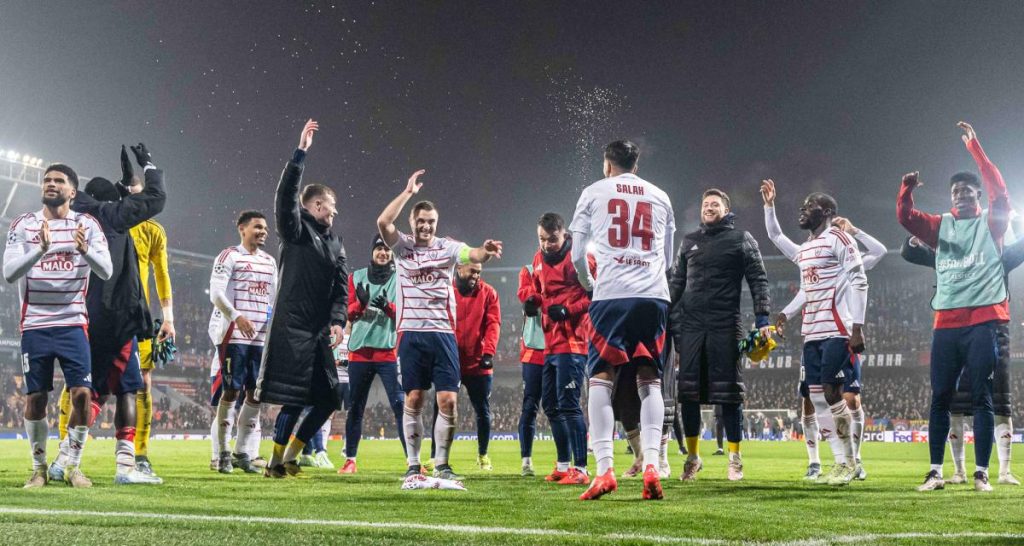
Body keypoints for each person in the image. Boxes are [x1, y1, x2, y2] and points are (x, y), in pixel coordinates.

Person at [897, 123, 1011, 492]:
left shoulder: (992, 223)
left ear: (977, 193)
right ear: (950, 198)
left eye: (966, 189)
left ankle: (980, 473)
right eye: (954, 191)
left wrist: (975, 147)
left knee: (981, 397)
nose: (960, 194)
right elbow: (905, 218)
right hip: (945, 323)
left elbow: (1001, 191)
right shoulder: (940, 225)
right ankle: (935, 471)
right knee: (940, 398)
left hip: (983, 322)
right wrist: (907, 190)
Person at [50, 144, 167, 486]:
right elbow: (156, 197)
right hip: (119, 317)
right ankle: (126, 467)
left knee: (94, 392)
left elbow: (99, 200)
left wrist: (121, 187)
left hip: (84, 316)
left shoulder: (79, 214)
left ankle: (63, 460)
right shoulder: (116, 217)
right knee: (129, 389)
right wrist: (148, 166)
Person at [376, 168, 502, 481]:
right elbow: (383, 223)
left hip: (444, 334)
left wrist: (484, 252)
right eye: (421, 220)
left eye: (431, 221)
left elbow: (471, 253)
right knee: (414, 399)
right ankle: (413, 466)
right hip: (411, 334)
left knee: (448, 399)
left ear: (436, 223)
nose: (426, 226)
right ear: (412, 222)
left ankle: (443, 464)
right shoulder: (402, 247)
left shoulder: (447, 247)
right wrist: (408, 193)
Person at [570, 140, 675, 501]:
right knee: (651, 380)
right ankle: (651, 465)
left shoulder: (593, 191)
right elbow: (668, 255)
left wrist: (591, 284)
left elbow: (576, 253)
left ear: (607, 163)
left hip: (612, 294)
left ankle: (604, 471)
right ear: (637, 162)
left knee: (601, 379)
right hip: (654, 296)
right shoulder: (660, 195)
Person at [4, 164, 112, 488]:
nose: (51, 184)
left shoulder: (87, 225)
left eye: (59, 181)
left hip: (72, 322)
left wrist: (85, 250)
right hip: (35, 323)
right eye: (47, 180)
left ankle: (73, 467)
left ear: (72, 191)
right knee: (36, 398)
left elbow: (105, 270)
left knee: (81, 395)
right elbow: (9, 272)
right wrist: (39, 249)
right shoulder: (24, 224)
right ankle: (38, 468)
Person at [255, 119, 348, 478]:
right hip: (291, 327)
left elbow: (341, 287)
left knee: (330, 397)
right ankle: (275, 464)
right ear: (312, 206)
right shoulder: (295, 231)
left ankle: (292, 455)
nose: (334, 211)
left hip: (319, 332)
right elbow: (283, 200)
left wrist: (338, 320)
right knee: (293, 398)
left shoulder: (337, 244)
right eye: (328, 204)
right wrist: (299, 155)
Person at [767, 203, 887, 481]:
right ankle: (839, 461)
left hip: (837, 330)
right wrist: (769, 205)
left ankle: (852, 460)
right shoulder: (808, 252)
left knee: (843, 396)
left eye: (811, 205)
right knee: (818, 398)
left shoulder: (841, 244)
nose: (803, 208)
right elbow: (777, 238)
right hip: (812, 333)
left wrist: (854, 230)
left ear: (827, 212)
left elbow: (876, 256)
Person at [901, 234, 1020, 486]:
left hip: (990, 329)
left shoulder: (994, 254)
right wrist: (915, 235)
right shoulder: (950, 257)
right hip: (953, 331)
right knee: (955, 403)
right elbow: (910, 252)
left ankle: (997, 471)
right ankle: (957, 471)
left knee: (998, 402)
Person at [669, 188, 771, 482]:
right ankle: (692, 457)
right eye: (705, 204)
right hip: (691, 327)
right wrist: (663, 311)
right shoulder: (689, 242)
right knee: (687, 394)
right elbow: (676, 284)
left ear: (726, 210)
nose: (709, 207)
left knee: (729, 395)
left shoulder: (741, 239)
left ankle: (735, 458)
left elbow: (758, 279)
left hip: (726, 324)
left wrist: (763, 317)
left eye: (715, 204)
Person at [208, 211, 277, 474]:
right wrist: (237, 317)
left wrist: (270, 326)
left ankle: (241, 453)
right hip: (233, 336)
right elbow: (215, 293)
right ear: (242, 229)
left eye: (265, 229)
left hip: (260, 340)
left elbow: (273, 299)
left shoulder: (270, 262)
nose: (263, 232)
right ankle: (222, 453)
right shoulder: (229, 256)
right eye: (258, 227)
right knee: (231, 392)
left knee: (255, 395)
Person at [529, 212, 592, 485]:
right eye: (542, 239)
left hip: (573, 342)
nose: (546, 245)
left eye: (552, 239)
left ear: (564, 234)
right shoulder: (537, 259)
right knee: (551, 405)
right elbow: (536, 292)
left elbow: (594, 294)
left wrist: (569, 310)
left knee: (568, 405)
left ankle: (581, 468)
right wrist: (531, 302)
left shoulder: (578, 257)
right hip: (550, 343)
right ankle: (564, 465)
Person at [338, 235, 406, 474]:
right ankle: (350, 460)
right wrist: (360, 305)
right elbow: (346, 313)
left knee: (400, 406)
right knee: (355, 408)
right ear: (372, 252)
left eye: (387, 249)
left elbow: (404, 315)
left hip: (387, 352)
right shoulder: (355, 278)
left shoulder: (400, 279)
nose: (383, 253)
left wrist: (389, 308)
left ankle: (413, 462)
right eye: (379, 248)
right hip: (360, 353)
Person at [128, 170, 175, 477]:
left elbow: (161, 273)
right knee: (81, 382)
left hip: (139, 320)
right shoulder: (103, 223)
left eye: (139, 194)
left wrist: (169, 317)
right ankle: (67, 452)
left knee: (144, 382)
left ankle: (141, 453)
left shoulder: (153, 230)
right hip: (103, 316)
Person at [452, 262, 501, 470]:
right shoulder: (447, 290)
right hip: (452, 360)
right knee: (442, 407)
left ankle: (483, 454)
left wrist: (489, 352)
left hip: (479, 362)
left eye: (479, 272)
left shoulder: (489, 293)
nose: (476, 276)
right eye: (472, 271)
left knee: (482, 410)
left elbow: (493, 323)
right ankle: (437, 456)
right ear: (459, 268)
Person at [516, 264, 546, 477]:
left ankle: (570, 463)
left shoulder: (569, 270)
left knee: (564, 407)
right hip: (534, 351)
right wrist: (533, 298)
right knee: (530, 406)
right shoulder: (528, 270)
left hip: (563, 349)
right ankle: (526, 460)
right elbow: (524, 294)